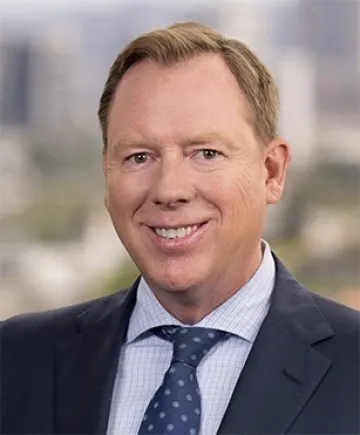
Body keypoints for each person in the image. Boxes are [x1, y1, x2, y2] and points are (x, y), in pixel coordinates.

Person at [0, 21, 359, 435]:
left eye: (206, 153)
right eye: (139, 157)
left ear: (271, 171)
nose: (169, 190)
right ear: (106, 172)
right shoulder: (15, 362)